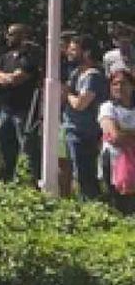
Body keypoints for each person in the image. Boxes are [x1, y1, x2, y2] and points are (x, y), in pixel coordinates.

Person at [0, 23, 41, 183]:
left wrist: (1, 76)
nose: (8, 37)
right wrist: (5, 78)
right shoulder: (5, 57)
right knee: (6, 146)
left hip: (24, 110)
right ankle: (8, 178)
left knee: (26, 148)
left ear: (23, 36)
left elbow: (17, 79)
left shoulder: (30, 58)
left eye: (12, 34)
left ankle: (29, 181)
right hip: (6, 109)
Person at [62, 34, 108, 199]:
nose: (69, 52)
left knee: (85, 175)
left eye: (74, 50)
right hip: (72, 128)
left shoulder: (92, 76)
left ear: (86, 52)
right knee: (76, 173)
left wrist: (67, 94)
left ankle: (92, 207)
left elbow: (81, 103)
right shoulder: (76, 73)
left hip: (84, 132)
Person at [99, 66, 135, 214]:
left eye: (123, 83)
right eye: (115, 83)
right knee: (120, 204)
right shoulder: (108, 108)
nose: (119, 87)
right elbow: (115, 136)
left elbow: (120, 135)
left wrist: (124, 132)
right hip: (114, 161)